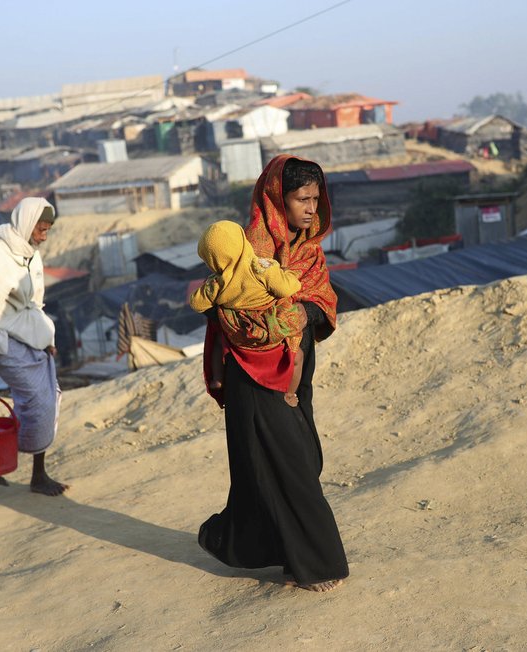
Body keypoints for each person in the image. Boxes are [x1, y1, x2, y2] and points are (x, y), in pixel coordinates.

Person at [198, 155, 348, 592]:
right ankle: (319, 564)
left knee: (298, 458)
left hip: (297, 372)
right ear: (276, 199)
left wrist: (303, 312)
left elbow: (324, 302)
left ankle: (256, 546)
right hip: (254, 373)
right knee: (289, 464)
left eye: (316, 199)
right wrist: (264, 325)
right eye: (302, 198)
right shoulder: (245, 250)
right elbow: (221, 307)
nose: (311, 208)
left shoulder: (309, 251)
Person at [0, 196, 68, 496]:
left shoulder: (29, 253)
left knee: (49, 398)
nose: (44, 236)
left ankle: (19, 468)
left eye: (48, 229)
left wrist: (47, 340)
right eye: (41, 229)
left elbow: (35, 303)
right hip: (5, 341)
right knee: (38, 402)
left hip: (30, 336)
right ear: (26, 224)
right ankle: (17, 469)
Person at [188, 219, 307, 407]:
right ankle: (290, 394)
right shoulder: (261, 268)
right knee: (297, 356)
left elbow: (195, 303)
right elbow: (286, 289)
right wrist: (289, 275)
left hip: (239, 337)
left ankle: (218, 377)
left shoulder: (217, 284)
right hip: (271, 330)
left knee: (219, 341)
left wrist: (212, 285)